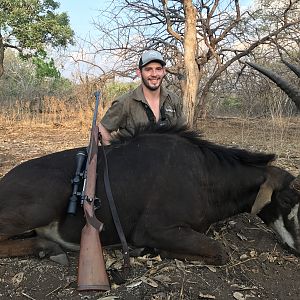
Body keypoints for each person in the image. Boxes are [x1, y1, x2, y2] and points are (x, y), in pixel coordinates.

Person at [99, 49, 185, 145]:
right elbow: (103, 129)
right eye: (148, 69)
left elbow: (183, 133)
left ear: (164, 71)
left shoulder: (173, 100)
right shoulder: (125, 102)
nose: (154, 74)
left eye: (158, 69)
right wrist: (115, 153)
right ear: (139, 72)